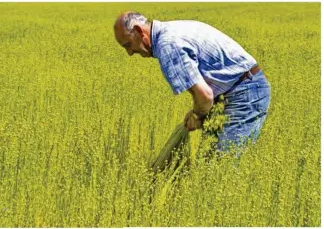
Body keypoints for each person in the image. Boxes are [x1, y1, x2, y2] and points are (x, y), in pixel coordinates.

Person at [113, 11, 271, 153]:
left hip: (244, 93)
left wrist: (197, 115)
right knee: (209, 162)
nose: (130, 53)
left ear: (139, 32)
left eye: (128, 45)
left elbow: (204, 95)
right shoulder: (172, 30)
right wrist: (198, 112)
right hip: (234, 90)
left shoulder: (168, 46)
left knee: (222, 166)